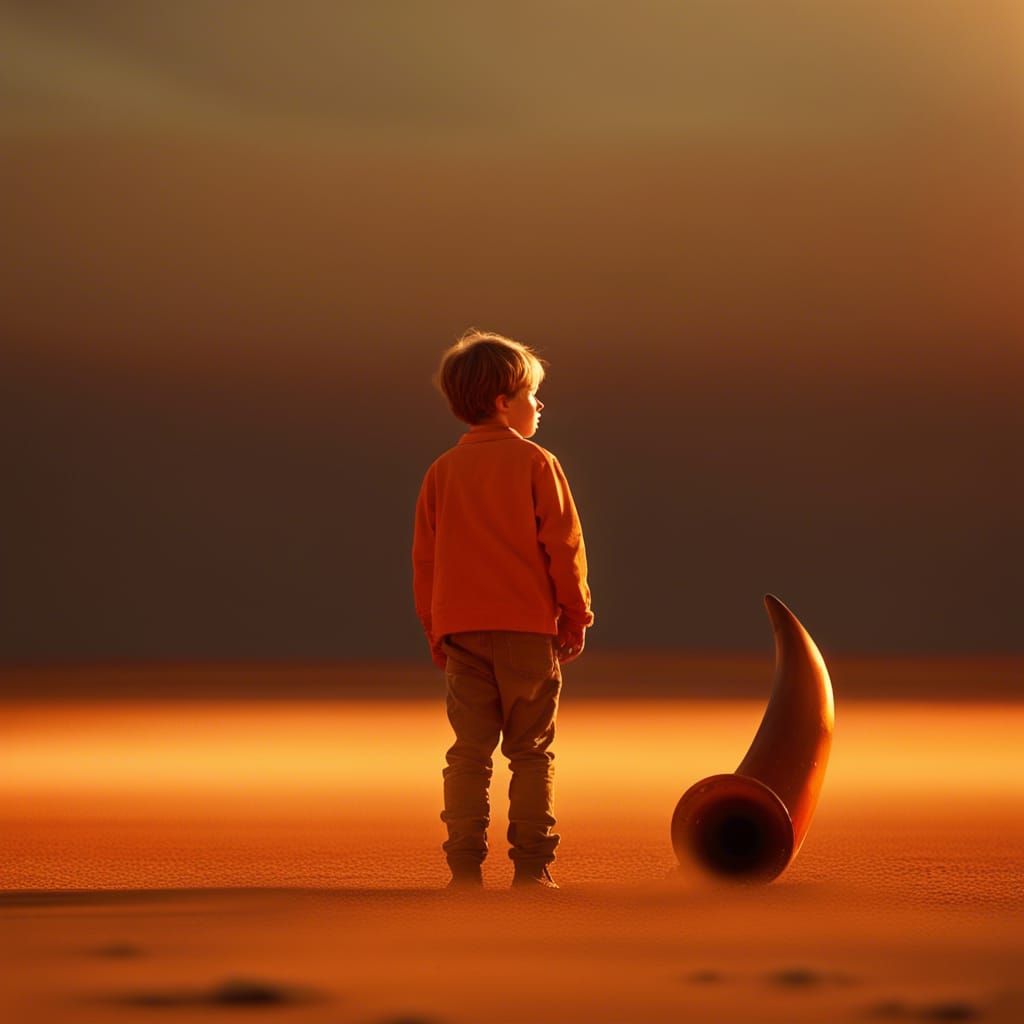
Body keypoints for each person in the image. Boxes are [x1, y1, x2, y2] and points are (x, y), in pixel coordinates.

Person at [412, 328, 594, 891]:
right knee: (531, 752)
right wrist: (575, 614)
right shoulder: (537, 462)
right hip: (527, 631)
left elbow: (426, 560)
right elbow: (564, 546)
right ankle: (532, 867)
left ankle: (464, 867)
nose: (538, 405)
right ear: (501, 402)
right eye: (530, 395)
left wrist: (436, 630)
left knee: (468, 753)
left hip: (463, 633)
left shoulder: (442, 472)